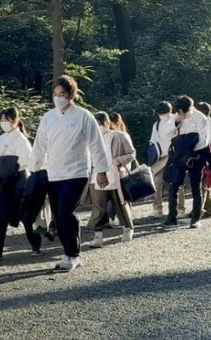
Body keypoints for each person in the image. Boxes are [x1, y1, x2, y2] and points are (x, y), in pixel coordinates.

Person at [31, 75, 111, 272]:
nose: (58, 98)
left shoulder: (84, 116)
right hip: (54, 173)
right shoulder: (48, 118)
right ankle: (68, 253)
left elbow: (96, 144)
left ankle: (74, 255)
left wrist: (101, 170)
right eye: (55, 94)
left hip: (77, 172)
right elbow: (39, 144)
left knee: (67, 211)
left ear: (71, 95)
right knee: (58, 216)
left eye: (62, 94)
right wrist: (33, 168)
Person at [0, 108, 38, 261]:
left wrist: (11, 165)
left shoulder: (21, 139)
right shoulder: (0, 139)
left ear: (15, 121)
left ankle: (35, 244)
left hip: (18, 179)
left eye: (7, 120)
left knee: (24, 216)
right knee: (0, 215)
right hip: (2, 179)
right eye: (2, 120)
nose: (4, 123)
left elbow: (27, 160)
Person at [87, 112, 135, 246]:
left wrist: (119, 160)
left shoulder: (118, 136)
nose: (99, 127)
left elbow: (132, 153)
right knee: (98, 207)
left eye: (101, 124)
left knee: (120, 204)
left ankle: (128, 228)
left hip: (115, 176)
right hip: (96, 177)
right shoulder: (90, 139)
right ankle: (98, 236)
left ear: (107, 123)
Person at [164, 95, 211, 229]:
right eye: (179, 111)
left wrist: (188, 148)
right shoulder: (177, 116)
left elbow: (203, 140)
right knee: (173, 185)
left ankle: (196, 218)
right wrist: (176, 122)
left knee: (196, 186)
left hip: (196, 156)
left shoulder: (201, 118)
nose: (182, 114)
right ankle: (171, 217)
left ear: (190, 108)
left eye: (183, 111)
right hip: (179, 156)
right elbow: (167, 134)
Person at [148, 101, 184, 218]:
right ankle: (157, 208)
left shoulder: (177, 120)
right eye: (160, 113)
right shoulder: (157, 124)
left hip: (175, 155)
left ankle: (180, 209)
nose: (163, 115)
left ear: (170, 111)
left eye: (165, 112)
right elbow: (153, 140)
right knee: (156, 181)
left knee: (177, 182)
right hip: (162, 157)